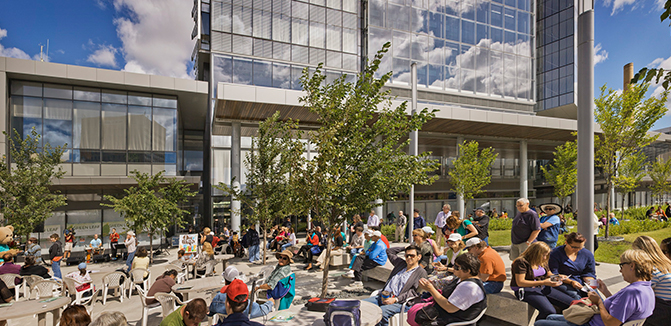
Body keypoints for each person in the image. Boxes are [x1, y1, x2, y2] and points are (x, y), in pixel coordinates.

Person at [535, 249, 656, 326]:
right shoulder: (646, 288)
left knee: (541, 323)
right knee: (551, 317)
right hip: (594, 320)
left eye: (621, 265)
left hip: (594, 323)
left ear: (632, 266)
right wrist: (606, 292)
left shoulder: (632, 292)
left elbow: (611, 323)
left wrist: (599, 302)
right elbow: (621, 307)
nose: (620, 270)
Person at [363, 245, 427, 326]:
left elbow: (414, 292)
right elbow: (389, 251)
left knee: (381, 312)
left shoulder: (421, 272)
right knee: (361, 305)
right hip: (383, 297)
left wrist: (396, 300)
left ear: (419, 257)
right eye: (407, 255)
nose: (409, 257)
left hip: (400, 302)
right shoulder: (401, 264)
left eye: (412, 255)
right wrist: (404, 248)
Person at [417, 253, 488, 325]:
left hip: (451, 321)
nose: (453, 268)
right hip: (445, 315)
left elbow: (449, 308)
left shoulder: (469, 287)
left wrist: (431, 289)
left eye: (457, 267)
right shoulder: (463, 279)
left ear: (468, 271)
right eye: (454, 265)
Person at [510, 242, 573, 320]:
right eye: (543, 255)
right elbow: (520, 282)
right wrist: (544, 282)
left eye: (546, 255)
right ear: (535, 253)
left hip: (541, 286)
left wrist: (558, 277)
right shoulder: (521, 262)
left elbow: (548, 274)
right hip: (525, 289)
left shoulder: (542, 261)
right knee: (549, 311)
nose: (545, 257)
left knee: (571, 303)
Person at [631, 236, 671, 326]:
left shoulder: (653, 270)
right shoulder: (666, 264)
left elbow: (645, 296)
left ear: (641, 250)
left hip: (662, 312)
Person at [210, 266, 274, 319]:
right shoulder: (248, 306)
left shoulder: (217, 298)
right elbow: (262, 311)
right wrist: (270, 303)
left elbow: (211, 310)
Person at [548, 232, 596, 300]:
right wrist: (571, 282)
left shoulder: (587, 254)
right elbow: (553, 276)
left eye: (580, 247)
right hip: (564, 282)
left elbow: (589, 273)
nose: (577, 250)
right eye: (574, 247)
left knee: (595, 295)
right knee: (576, 297)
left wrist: (591, 283)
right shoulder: (555, 254)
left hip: (581, 281)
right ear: (566, 243)